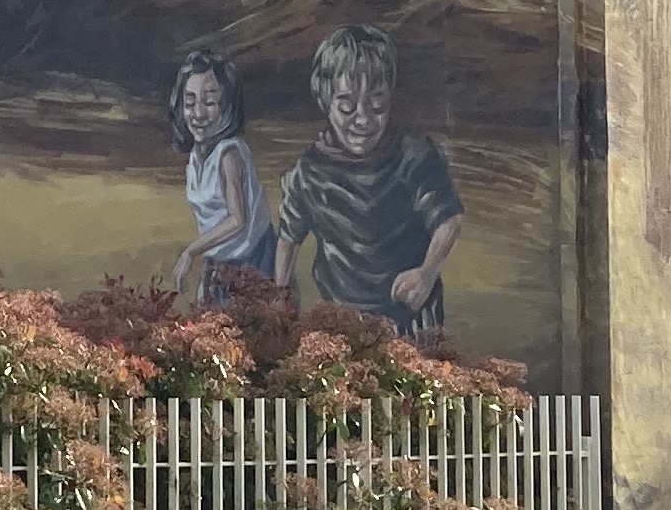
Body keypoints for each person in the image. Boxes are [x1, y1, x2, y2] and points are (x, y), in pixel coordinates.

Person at [274, 25, 465, 334]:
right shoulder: (310, 172)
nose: (362, 119)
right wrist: (281, 295)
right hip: (342, 320)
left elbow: (449, 219)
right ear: (326, 101)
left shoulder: (413, 155)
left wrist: (427, 273)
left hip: (411, 319)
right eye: (347, 106)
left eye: (376, 105)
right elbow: (288, 238)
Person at [167, 50, 273, 301]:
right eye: (190, 103)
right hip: (219, 258)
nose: (198, 114)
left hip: (253, 261)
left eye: (210, 102)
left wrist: (191, 251)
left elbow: (238, 220)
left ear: (227, 106)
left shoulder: (229, 155)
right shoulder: (196, 156)